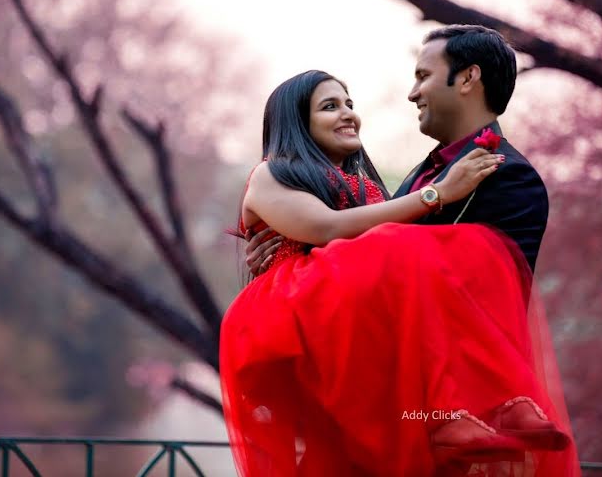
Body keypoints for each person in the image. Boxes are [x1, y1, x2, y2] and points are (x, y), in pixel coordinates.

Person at [221, 66, 579, 475]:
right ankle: (457, 413)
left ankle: (481, 409)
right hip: (293, 316)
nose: (348, 114)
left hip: (349, 320)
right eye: (330, 106)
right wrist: (438, 194)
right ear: (297, 123)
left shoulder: (368, 189)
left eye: (350, 104)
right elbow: (327, 228)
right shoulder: (270, 174)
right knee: (406, 246)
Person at [246, 25, 547, 276]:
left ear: (468, 78)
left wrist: (306, 261)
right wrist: (290, 261)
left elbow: (470, 287)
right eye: (330, 107)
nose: (412, 94)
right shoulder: (421, 176)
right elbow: (342, 234)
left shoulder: (510, 176)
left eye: (423, 76)